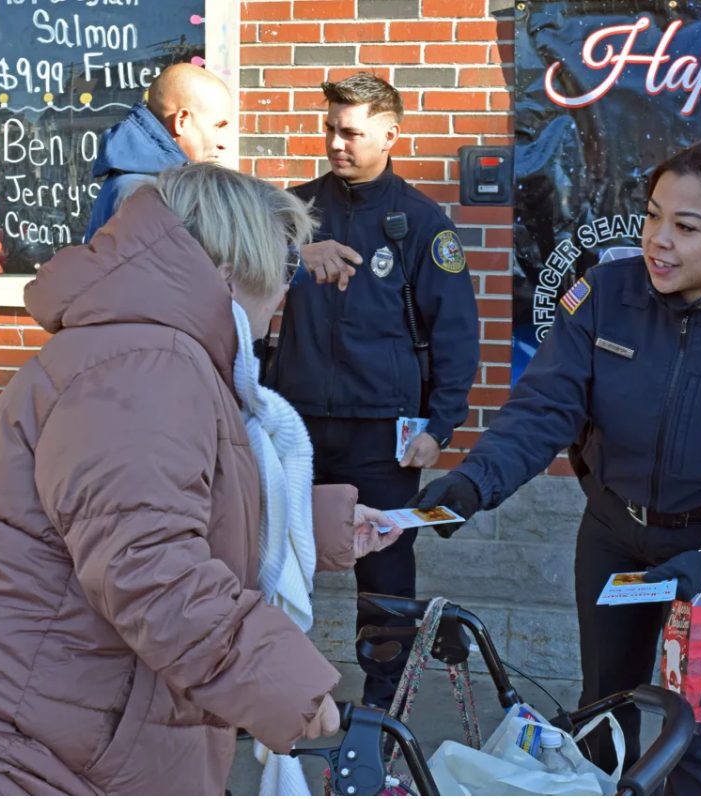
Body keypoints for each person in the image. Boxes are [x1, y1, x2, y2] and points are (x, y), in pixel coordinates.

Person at [0, 163, 402, 795]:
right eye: (285, 265)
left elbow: (155, 510)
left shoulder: (150, 348)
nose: (290, 287)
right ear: (230, 269)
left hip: (52, 719)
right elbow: (148, 565)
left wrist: (315, 525)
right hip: (23, 745)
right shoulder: (148, 362)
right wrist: (282, 682)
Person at [412, 134, 701, 794]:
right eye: (652, 216)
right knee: (603, 713)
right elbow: (544, 407)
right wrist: (475, 482)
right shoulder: (603, 295)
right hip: (614, 540)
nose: (658, 240)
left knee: (697, 734)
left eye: (686, 226)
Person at [264, 72, 480, 709]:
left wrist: (439, 427)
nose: (336, 142)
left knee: (384, 577)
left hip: (383, 435)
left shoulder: (421, 224)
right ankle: (270, 693)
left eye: (351, 132)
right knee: (275, 562)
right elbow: (234, 284)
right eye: (330, 128)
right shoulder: (290, 214)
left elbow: (456, 333)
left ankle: (383, 709)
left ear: (390, 135)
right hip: (295, 425)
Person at [84, 62, 232, 240]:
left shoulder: (148, 184)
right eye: (217, 126)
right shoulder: (142, 194)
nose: (223, 143)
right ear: (182, 121)